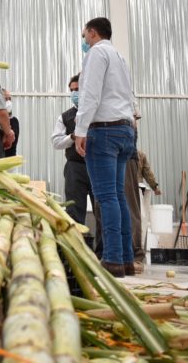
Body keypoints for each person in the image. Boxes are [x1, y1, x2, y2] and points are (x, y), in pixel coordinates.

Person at [74, 17, 137, 278]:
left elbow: (90, 93)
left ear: (92, 33)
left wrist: (80, 129)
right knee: (118, 196)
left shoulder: (97, 53)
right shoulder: (120, 58)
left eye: (84, 34)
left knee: (107, 197)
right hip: (125, 129)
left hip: (105, 130)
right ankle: (126, 259)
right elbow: (129, 96)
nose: (83, 40)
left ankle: (112, 259)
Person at [51, 73, 102, 257]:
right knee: (74, 209)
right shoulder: (65, 117)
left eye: (77, 89)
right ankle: (75, 253)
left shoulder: (99, 111)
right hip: (75, 167)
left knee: (102, 209)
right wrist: (72, 137)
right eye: (72, 90)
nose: (74, 93)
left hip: (98, 166)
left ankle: (103, 253)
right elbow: (56, 142)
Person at [124, 145, 162, 272]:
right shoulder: (140, 154)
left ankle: (134, 252)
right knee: (139, 220)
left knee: (135, 219)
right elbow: (147, 172)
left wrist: (154, 186)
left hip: (132, 188)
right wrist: (155, 186)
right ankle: (136, 252)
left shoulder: (138, 155)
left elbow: (147, 171)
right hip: (138, 189)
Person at [3, 89, 20, 157]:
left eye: (9, 99)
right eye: (5, 99)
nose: (8, 102)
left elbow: (11, 142)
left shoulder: (13, 121)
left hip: (8, 159)